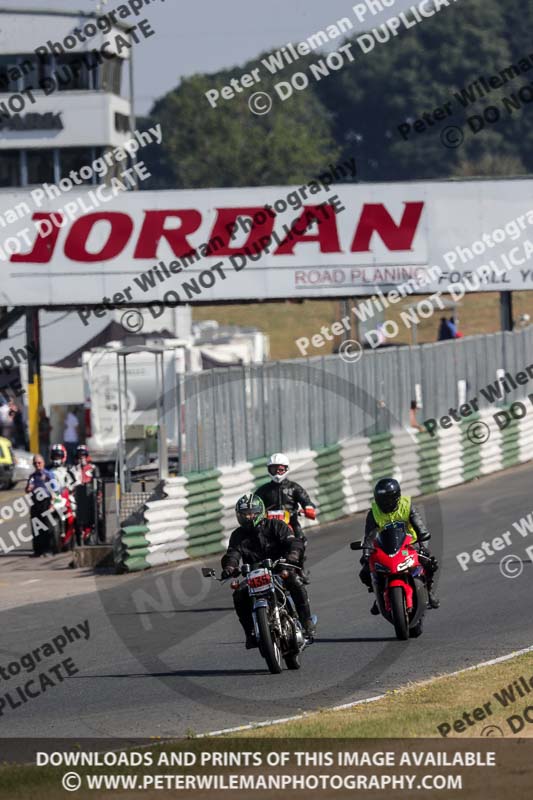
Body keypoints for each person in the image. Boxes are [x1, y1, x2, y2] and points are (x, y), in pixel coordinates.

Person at [221, 494, 316, 649]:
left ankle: (307, 622)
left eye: (251, 513)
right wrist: (230, 567)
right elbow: (233, 554)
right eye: (244, 514)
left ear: (260, 512)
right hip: (254, 573)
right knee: (238, 593)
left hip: (279, 567)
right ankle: (250, 632)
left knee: (294, 581)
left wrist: (293, 555)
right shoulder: (237, 535)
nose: (248, 517)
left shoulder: (276, 525)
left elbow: (293, 541)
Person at [358, 477, 440, 612]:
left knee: (430, 563)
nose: (384, 504)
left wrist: (422, 543)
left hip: (410, 544)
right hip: (385, 547)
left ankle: (428, 591)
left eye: (387, 500)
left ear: (396, 498)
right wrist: (366, 552)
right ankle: (378, 595)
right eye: (381, 500)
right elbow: (369, 535)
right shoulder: (373, 513)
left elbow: (419, 526)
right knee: (364, 572)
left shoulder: (407, 506)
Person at [255, 453, 316, 581]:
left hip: (291, 522)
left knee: (300, 540)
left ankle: (300, 568)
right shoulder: (263, 490)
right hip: (269, 525)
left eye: (280, 469)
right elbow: (254, 504)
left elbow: (306, 501)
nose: (277, 472)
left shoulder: (294, 488)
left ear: (286, 469)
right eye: (274, 469)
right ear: (269, 470)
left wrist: (308, 508)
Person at [47, 443, 77, 549]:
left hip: (67, 495)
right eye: (55, 456)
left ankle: (79, 536)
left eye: (58, 456)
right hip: (55, 498)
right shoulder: (48, 471)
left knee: (75, 511)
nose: (56, 459)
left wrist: (71, 488)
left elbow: (74, 482)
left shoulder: (68, 469)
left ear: (63, 456)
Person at [25, 454, 56, 557]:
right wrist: (28, 489)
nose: (37, 465)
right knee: (36, 527)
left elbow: (54, 489)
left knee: (47, 526)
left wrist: (52, 503)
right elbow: (27, 488)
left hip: (46, 502)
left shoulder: (48, 474)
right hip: (35, 503)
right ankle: (38, 550)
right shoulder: (32, 476)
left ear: (43, 463)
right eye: (35, 463)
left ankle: (48, 550)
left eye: (39, 463)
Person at [72, 444, 99, 545]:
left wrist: (98, 495)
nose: (81, 457)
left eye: (83, 455)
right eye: (79, 455)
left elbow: (98, 483)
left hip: (90, 496)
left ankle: (95, 534)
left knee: (98, 515)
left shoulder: (93, 468)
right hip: (77, 497)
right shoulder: (73, 469)